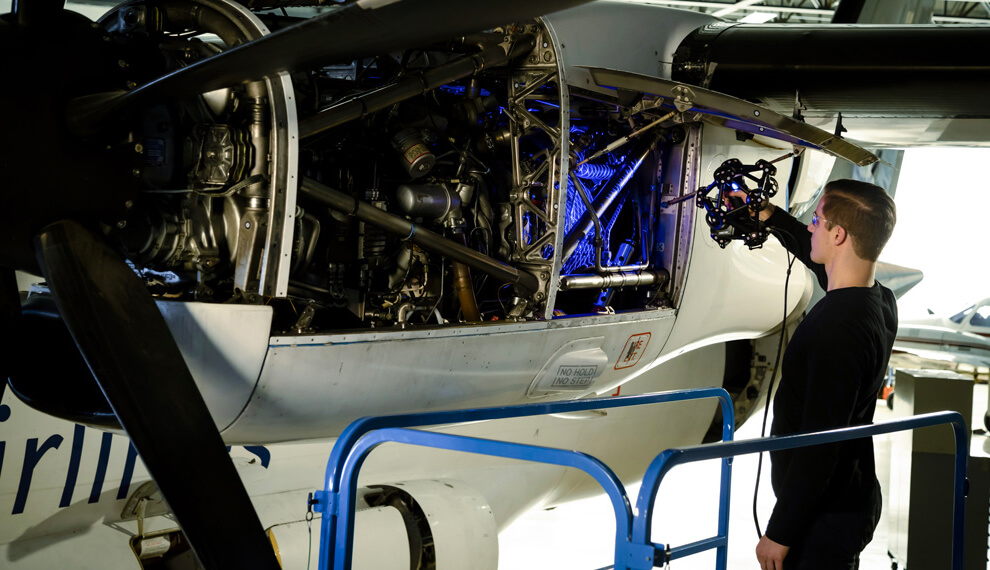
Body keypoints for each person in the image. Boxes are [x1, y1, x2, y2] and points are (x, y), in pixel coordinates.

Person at [743, 179, 898, 570]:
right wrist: (770, 216)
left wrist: (780, 533)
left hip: (822, 518)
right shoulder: (880, 299)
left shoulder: (839, 328)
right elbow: (822, 258)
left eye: (816, 220)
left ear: (839, 235)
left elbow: (820, 444)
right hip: (851, 494)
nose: (810, 228)